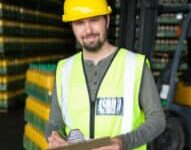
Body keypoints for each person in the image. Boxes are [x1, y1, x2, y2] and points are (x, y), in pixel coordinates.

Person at [45, 0, 166, 149]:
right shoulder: (64, 69)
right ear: (72, 27)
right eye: (79, 23)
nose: (88, 30)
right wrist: (53, 136)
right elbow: (54, 122)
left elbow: (157, 119)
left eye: (94, 20)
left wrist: (123, 142)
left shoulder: (135, 65)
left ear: (107, 20)